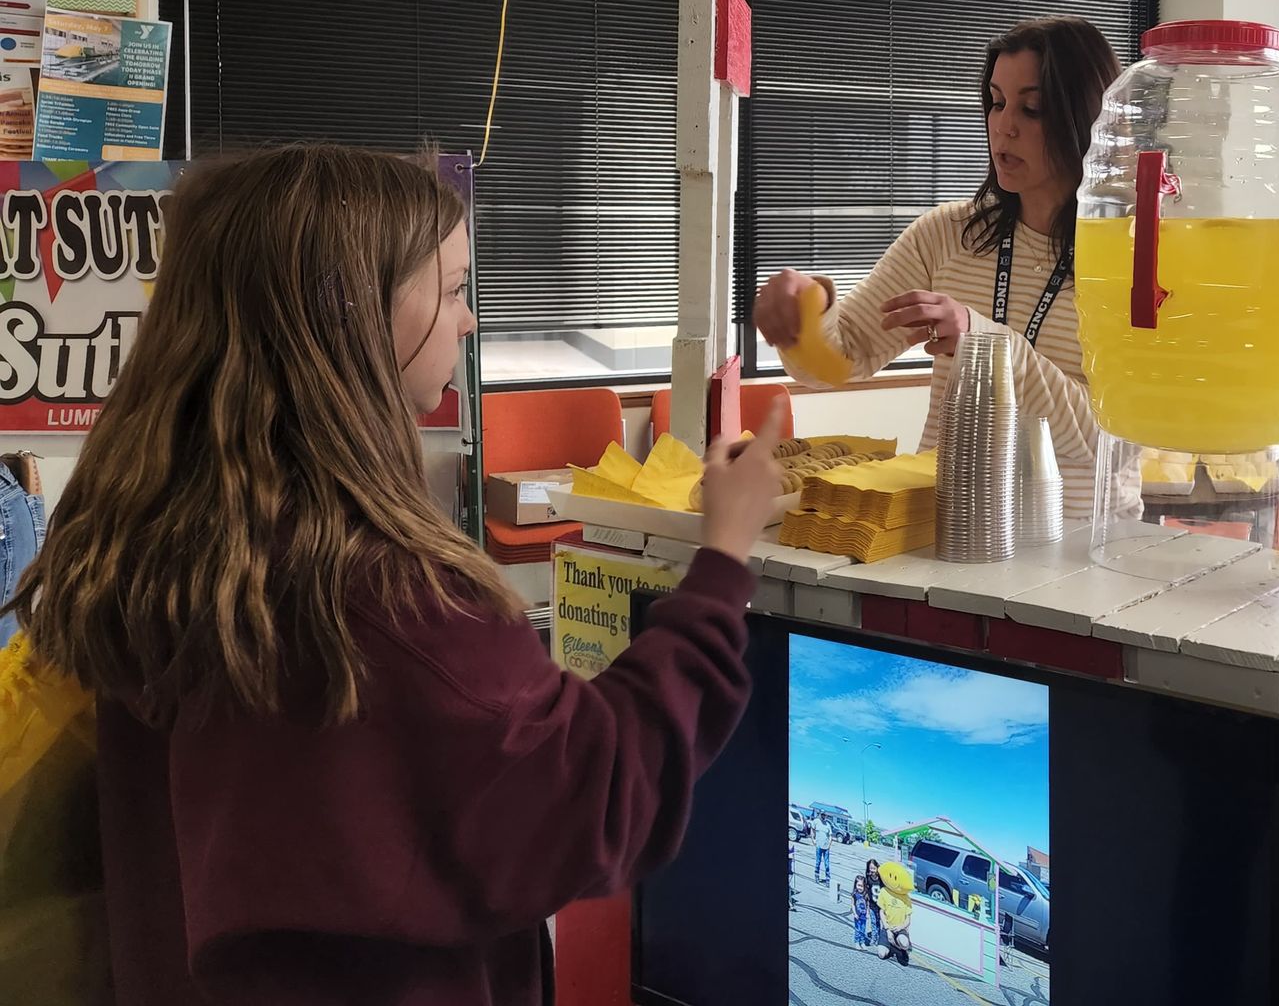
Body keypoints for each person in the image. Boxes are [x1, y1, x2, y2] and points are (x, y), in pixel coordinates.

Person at [6, 145, 787, 1006]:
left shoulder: (152, 538)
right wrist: (720, 563)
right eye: (454, 291)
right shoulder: (386, 601)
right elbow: (597, 795)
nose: (470, 323)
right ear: (349, 310)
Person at [754, 17, 1122, 511]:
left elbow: (1111, 441)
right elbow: (842, 359)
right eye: (995, 102)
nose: (1004, 125)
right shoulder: (946, 235)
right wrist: (804, 312)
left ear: (1084, 118)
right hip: (949, 532)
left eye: (1031, 109)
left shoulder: (1130, 259)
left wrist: (985, 344)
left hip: (1076, 555)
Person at [851, 874, 874, 948]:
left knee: (863, 929)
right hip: (857, 915)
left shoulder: (865, 895)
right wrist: (854, 913)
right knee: (857, 929)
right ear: (855, 885)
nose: (860, 888)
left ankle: (862, 942)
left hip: (864, 915)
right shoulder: (854, 895)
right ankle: (857, 942)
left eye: (862, 886)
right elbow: (853, 905)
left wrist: (867, 913)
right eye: (858, 885)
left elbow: (867, 905)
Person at [814, 819, 832, 884]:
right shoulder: (816, 822)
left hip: (826, 847)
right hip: (819, 846)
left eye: (824, 815)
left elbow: (830, 835)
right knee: (818, 862)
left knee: (827, 864)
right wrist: (813, 840)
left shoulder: (828, 825)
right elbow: (812, 830)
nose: (823, 816)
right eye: (822, 815)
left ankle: (828, 879)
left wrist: (829, 844)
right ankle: (816, 877)